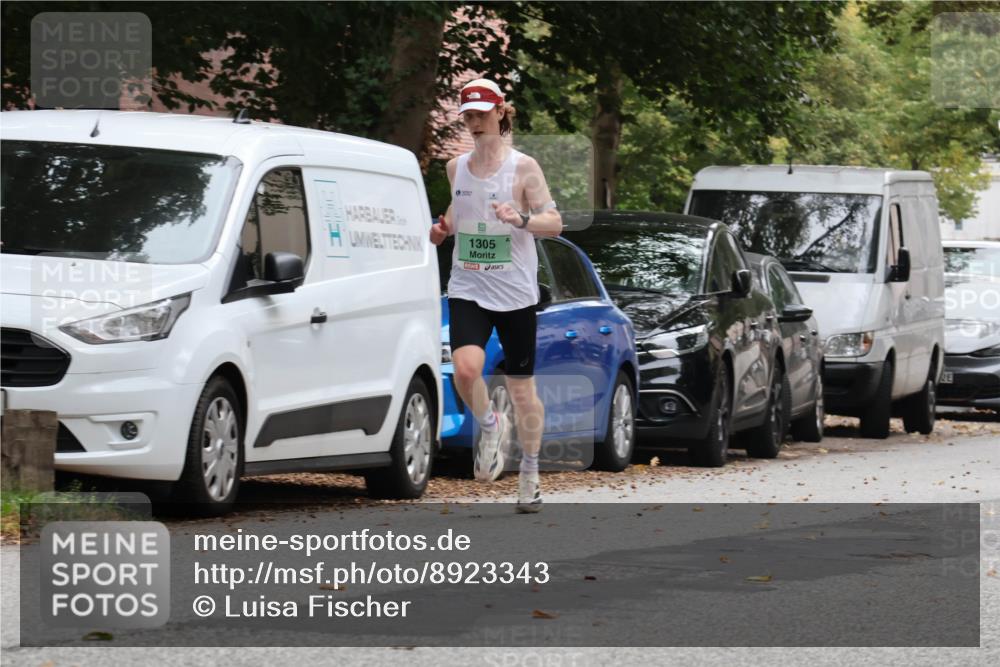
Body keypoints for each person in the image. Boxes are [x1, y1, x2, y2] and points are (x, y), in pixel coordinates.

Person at [430, 77, 562, 513]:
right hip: (468, 284)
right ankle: (489, 425)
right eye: (468, 115)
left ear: (501, 111)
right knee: (467, 369)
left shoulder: (524, 167)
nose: (474, 122)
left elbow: (553, 222)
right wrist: (443, 228)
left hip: (515, 293)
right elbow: (459, 209)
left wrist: (520, 219)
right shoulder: (456, 167)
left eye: (482, 114)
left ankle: (530, 474)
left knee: (522, 391)